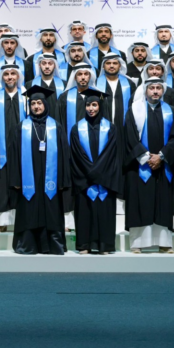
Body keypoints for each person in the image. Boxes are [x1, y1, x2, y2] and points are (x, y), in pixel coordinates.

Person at [8, 85, 70, 254]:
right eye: (33, 103)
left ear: (45, 104)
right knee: (28, 209)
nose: (36, 106)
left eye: (39, 103)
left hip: (51, 179)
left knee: (51, 210)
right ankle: (28, 244)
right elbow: (13, 155)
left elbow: (64, 154)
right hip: (29, 180)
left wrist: (63, 180)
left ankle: (52, 244)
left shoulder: (56, 127)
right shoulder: (21, 127)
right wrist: (15, 179)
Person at [123, 77, 174, 253]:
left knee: (163, 204)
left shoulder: (173, 111)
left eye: (158, 88)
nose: (155, 91)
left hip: (163, 165)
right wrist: (147, 157)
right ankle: (138, 243)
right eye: (151, 88)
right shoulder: (134, 110)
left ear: (163, 91)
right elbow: (130, 136)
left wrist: (161, 157)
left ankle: (164, 243)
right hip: (140, 166)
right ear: (145, 90)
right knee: (140, 203)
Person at [69, 88, 121, 254]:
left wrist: (96, 174)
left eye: (94, 105)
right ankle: (84, 245)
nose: (91, 108)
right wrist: (91, 174)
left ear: (100, 106)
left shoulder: (111, 128)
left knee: (104, 212)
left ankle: (104, 245)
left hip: (104, 181)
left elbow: (111, 154)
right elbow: (77, 155)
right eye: (88, 105)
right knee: (84, 212)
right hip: (85, 181)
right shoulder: (77, 128)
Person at [0, 64, 26, 232]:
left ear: (18, 77)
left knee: (23, 183)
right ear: (2, 78)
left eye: (13, 74)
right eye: (6, 74)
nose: (10, 77)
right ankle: (2, 221)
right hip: (0, 150)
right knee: (1, 187)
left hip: (23, 148)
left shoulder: (28, 98)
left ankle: (23, 220)